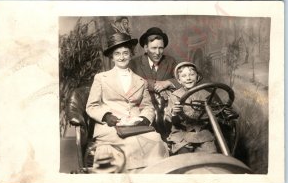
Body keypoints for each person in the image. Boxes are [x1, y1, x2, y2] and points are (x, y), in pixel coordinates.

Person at [86, 33, 169, 172]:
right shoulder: (101, 78)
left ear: (131, 55)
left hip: (136, 127)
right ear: (112, 57)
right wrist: (106, 116)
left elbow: (148, 106)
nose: (122, 57)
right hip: (110, 127)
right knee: (130, 144)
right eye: (117, 54)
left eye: (126, 53)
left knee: (155, 138)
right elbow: (91, 106)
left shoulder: (140, 81)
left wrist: (143, 119)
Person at [129, 27, 182, 139]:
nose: (157, 52)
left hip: (166, 106)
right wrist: (153, 84)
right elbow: (130, 82)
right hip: (144, 105)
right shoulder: (134, 63)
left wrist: (168, 82)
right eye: (154, 48)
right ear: (145, 48)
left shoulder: (170, 61)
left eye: (161, 48)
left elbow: (183, 79)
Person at [165, 62, 217, 155]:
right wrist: (174, 113)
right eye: (184, 76)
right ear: (179, 80)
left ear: (197, 77)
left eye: (192, 74)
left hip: (202, 133)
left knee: (211, 155)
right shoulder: (175, 96)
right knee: (185, 158)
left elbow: (215, 112)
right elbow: (170, 119)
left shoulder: (207, 94)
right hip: (181, 133)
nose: (188, 78)